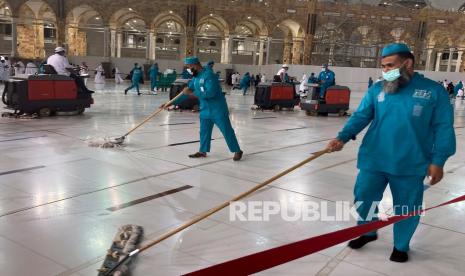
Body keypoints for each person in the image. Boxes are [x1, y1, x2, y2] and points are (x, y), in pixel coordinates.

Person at [326, 43, 456, 263]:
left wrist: (439, 160)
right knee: (364, 198)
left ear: (407, 63)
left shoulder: (433, 91)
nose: (386, 71)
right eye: (383, 67)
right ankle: (368, 230)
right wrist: (342, 137)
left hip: (410, 162)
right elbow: (360, 116)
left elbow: (443, 127)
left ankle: (401, 245)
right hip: (374, 159)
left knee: (407, 207)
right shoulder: (378, 89)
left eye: (390, 66)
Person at [165, 56, 243, 161]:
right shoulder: (195, 77)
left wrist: (192, 93)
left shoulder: (210, 76)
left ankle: (237, 150)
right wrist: (171, 103)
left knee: (226, 130)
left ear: (195, 65)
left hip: (218, 109)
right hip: (205, 109)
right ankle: (203, 151)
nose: (188, 69)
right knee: (204, 131)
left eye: (189, 67)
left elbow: (210, 93)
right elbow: (185, 93)